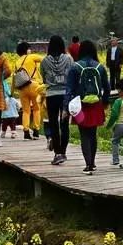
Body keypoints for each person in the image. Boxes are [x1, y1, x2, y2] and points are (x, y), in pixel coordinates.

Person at [65, 40, 110, 175]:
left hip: (80, 105)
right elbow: (106, 88)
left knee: (84, 134)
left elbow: (69, 89)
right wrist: (105, 103)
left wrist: (66, 107)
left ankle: (88, 164)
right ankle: (93, 163)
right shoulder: (100, 67)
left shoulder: (75, 67)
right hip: (96, 104)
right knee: (93, 134)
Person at [41, 35, 73, 165]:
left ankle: (57, 153)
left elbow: (43, 77)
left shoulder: (44, 61)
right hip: (65, 94)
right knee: (64, 123)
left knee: (53, 123)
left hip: (51, 94)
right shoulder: (69, 59)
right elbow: (72, 75)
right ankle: (63, 152)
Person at [14, 41, 45, 140]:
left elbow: (15, 77)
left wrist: (12, 92)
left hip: (22, 88)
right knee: (36, 109)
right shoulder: (31, 57)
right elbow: (44, 60)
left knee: (26, 111)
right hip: (34, 85)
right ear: (27, 50)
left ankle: (26, 132)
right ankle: (36, 131)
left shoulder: (17, 62)